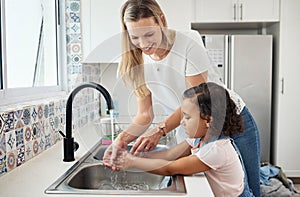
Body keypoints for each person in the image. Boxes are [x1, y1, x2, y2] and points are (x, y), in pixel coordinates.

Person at [104, 0, 261, 196]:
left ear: (161, 20)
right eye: (135, 37)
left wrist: (160, 130)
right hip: (195, 127)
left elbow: (196, 103)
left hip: (230, 119)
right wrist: (120, 141)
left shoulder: (188, 42)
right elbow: (144, 114)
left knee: (250, 189)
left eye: (149, 34)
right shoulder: (136, 60)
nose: (143, 44)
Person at [104, 82, 254, 197]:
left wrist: (131, 162)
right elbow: (170, 155)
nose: (182, 122)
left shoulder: (216, 150)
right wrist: (134, 156)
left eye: (187, 117)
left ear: (208, 120)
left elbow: (171, 167)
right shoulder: (200, 138)